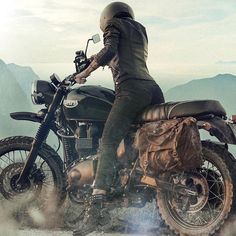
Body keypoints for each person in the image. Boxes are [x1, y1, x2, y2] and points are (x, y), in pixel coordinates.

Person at [73, 2, 165, 235]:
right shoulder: (140, 29)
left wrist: (84, 72)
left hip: (130, 90)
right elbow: (121, 52)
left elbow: (111, 49)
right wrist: (96, 57)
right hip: (153, 90)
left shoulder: (113, 25)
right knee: (144, 140)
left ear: (106, 18)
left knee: (108, 142)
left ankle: (96, 210)